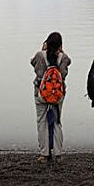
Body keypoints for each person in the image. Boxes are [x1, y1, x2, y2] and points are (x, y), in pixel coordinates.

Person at [31, 32, 71, 164]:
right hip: (58, 94)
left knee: (41, 122)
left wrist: (43, 50)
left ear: (47, 43)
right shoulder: (63, 57)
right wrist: (62, 52)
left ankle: (44, 154)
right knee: (57, 122)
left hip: (41, 93)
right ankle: (58, 154)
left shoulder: (39, 55)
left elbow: (33, 64)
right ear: (60, 45)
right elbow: (64, 72)